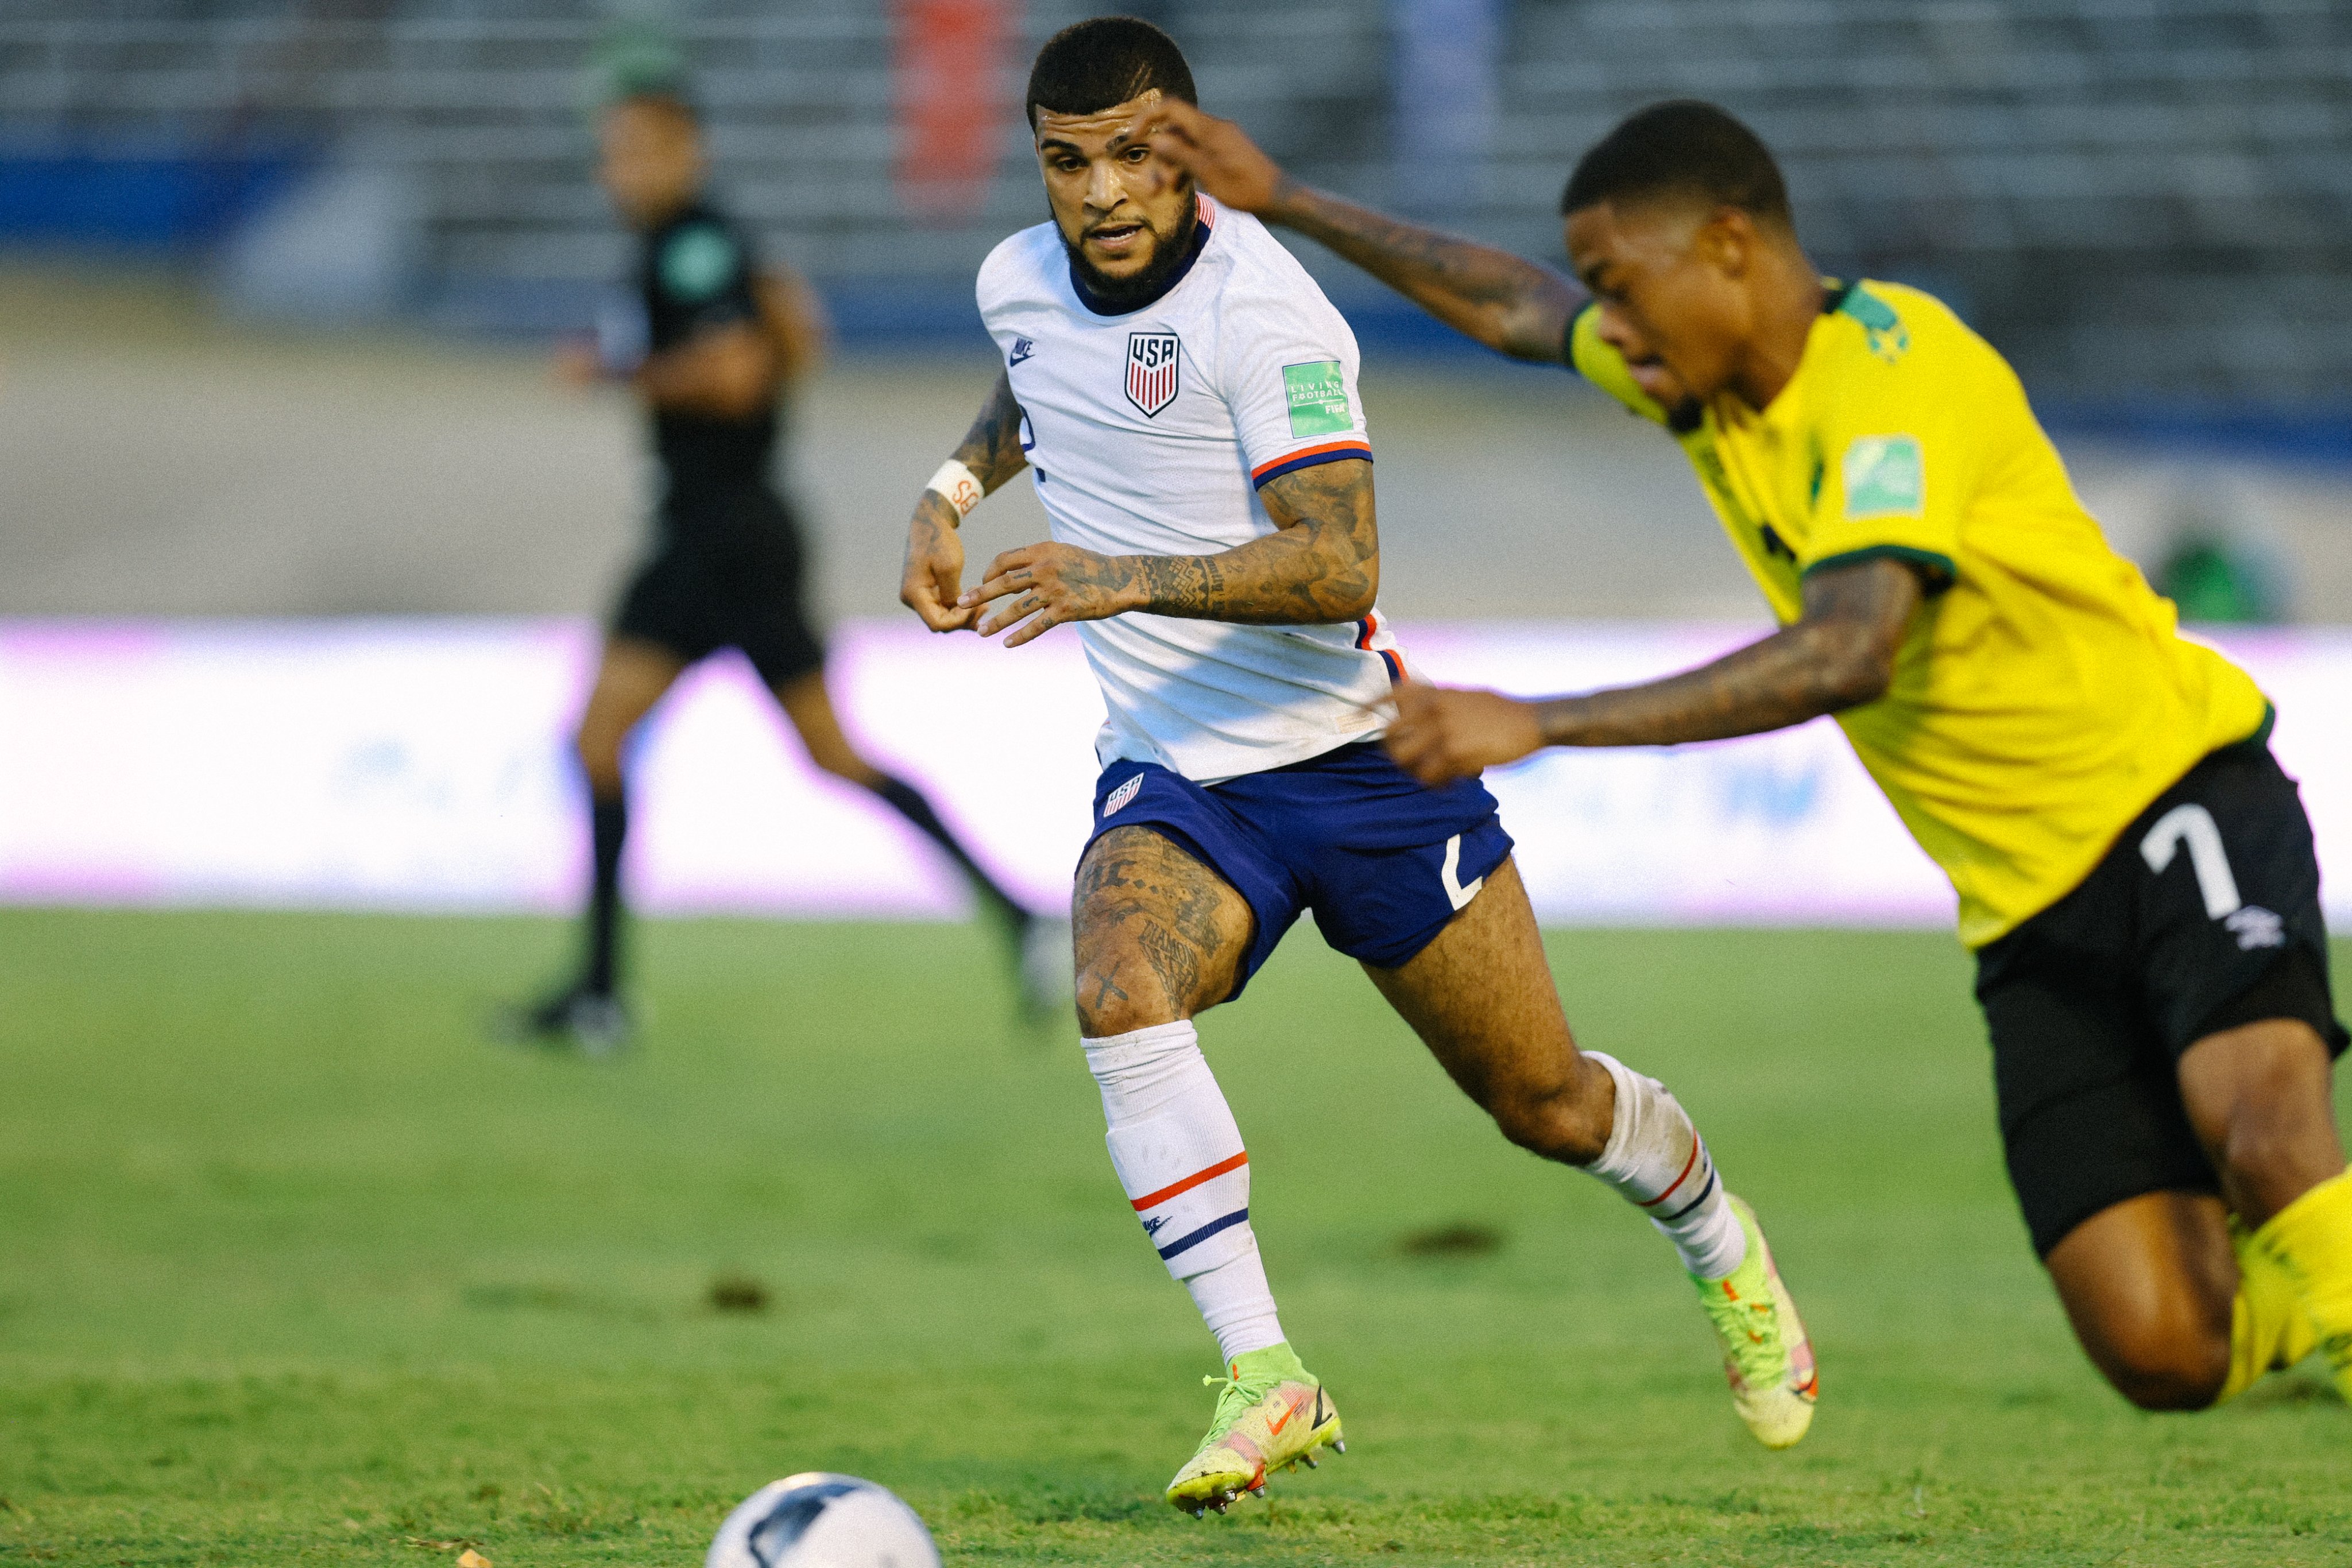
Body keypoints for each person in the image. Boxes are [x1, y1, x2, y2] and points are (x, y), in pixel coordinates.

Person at [1137, 95, 2352, 1412]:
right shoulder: (1706, 382)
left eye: (1623, 284)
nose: (1610, 322)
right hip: (2026, 909)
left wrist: (1541, 721)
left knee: (2263, 1127)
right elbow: (1513, 310)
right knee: (2158, 1348)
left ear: (1726, 246)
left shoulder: (1891, 376)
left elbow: (1848, 651)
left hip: (2170, 797)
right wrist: (1290, 200)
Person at [900, 22, 1817, 1516]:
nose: (1102, 193)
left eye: (1135, 153)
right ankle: (1266, 1373)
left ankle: (1724, 1246)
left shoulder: (1269, 310)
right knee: (1119, 981)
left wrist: (1117, 572)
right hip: (1180, 775)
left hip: (1360, 766)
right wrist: (946, 493)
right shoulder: (1014, 277)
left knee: (1549, 1105)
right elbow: (1035, 383)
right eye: (1069, 162)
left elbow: (1340, 562)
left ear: (1189, 150)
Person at [514, 83, 1059, 1052]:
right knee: (831, 755)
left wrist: (614, 372)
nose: (617, 172)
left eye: (636, 150)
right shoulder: (708, 244)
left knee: (602, 740)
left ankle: (600, 995)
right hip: (740, 533)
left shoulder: (691, 244)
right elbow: (800, 330)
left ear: (686, 149)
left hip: (715, 537)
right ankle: (1021, 921)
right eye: (612, 153)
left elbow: (738, 371)